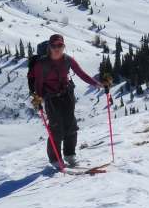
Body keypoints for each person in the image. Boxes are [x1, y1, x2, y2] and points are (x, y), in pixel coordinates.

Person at [30, 34, 107, 168]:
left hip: (67, 96)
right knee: (56, 129)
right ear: (50, 47)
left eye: (59, 45)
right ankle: (55, 158)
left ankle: (70, 155)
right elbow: (38, 82)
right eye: (54, 46)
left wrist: (97, 84)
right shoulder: (42, 63)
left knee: (71, 126)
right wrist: (39, 97)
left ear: (63, 46)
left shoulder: (68, 60)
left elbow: (81, 73)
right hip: (51, 99)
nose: (57, 48)